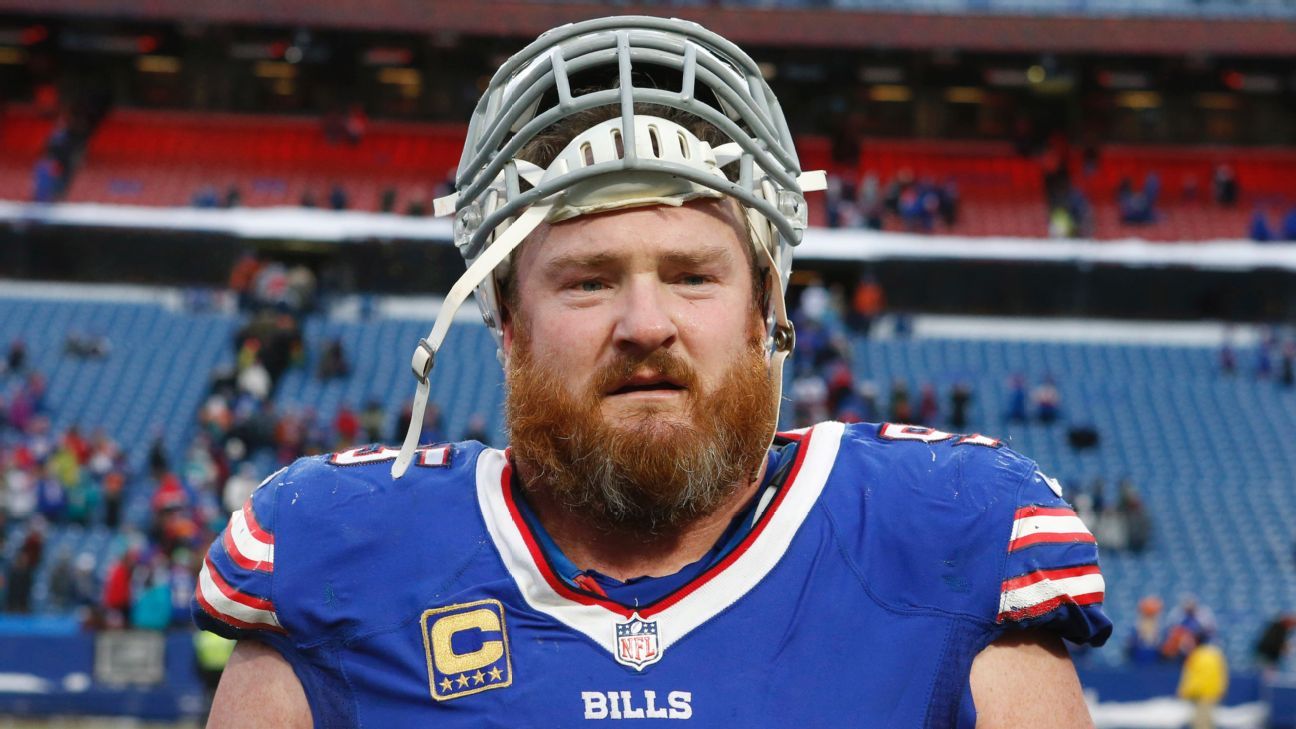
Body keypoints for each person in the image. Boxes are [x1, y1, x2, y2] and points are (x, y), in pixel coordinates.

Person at [195, 17, 1109, 728]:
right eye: (587, 281)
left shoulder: (949, 536)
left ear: (767, 311)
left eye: (691, 275)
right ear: (507, 321)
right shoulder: (337, 558)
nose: (644, 324)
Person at [1178, 632, 1227, 729]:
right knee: (1208, 722)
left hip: (1201, 695)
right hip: (1212, 694)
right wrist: (1221, 690)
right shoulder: (1215, 655)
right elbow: (1223, 675)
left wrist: (1185, 691)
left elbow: (1193, 677)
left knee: (1200, 723)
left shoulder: (1196, 656)